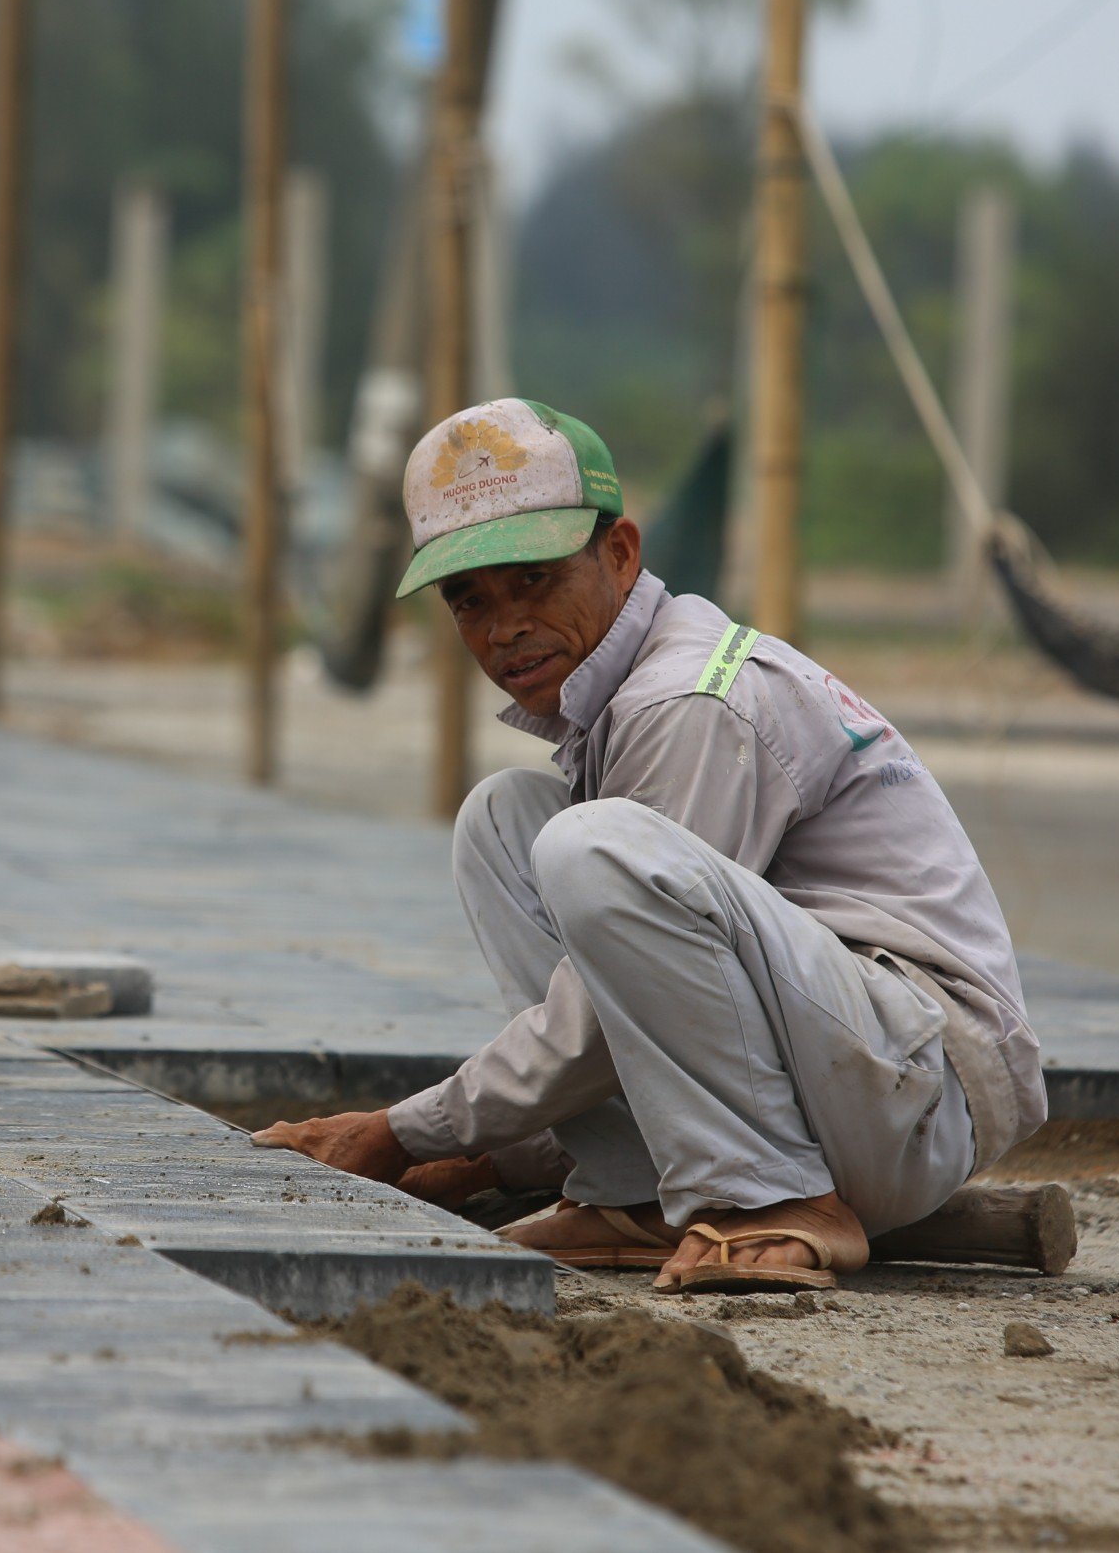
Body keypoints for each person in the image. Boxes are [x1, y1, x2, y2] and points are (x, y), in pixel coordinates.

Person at [255, 399, 1045, 1293]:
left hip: (916, 1094)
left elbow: (594, 1019)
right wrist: (496, 1158)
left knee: (589, 848)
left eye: (535, 581)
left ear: (621, 553)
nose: (503, 626)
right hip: (843, 1066)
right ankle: (636, 1189)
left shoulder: (688, 702)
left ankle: (769, 1197)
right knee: (503, 820)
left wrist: (410, 1130)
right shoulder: (630, 698)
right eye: (469, 600)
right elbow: (653, 999)